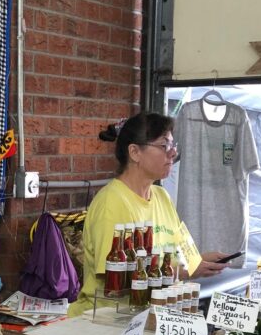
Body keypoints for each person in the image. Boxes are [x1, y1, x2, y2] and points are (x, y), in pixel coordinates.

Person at [69, 112, 231, 316]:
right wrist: (185, 272)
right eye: (164, 146)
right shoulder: (112, 202)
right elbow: (116, 277)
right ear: (135, 152)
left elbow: (173, 254)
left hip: (152, 316)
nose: (172, 153)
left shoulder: (162, 196)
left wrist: (197, 261)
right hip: (108, 322)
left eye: (173, 146)